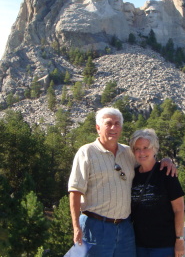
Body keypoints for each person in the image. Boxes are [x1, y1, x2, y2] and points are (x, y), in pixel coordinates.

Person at [68, 108, 177, 257]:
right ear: (98, 128)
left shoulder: (128, 153)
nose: (114, 128)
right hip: (95, 226)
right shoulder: (86, 152)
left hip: (125, 228)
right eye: (109, 123)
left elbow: (147, 161)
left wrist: (166, 161)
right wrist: (76, 227)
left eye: (117, 124)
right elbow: (75, 191)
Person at [130, 128, 185, 257]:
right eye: (137, 148)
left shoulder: (167, 173)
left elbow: (179, 210)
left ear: (155, 149)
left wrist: (180, 240)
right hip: (138, 245)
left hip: (164, 246)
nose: (141, 152)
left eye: (146, 147)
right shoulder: (133, 174)